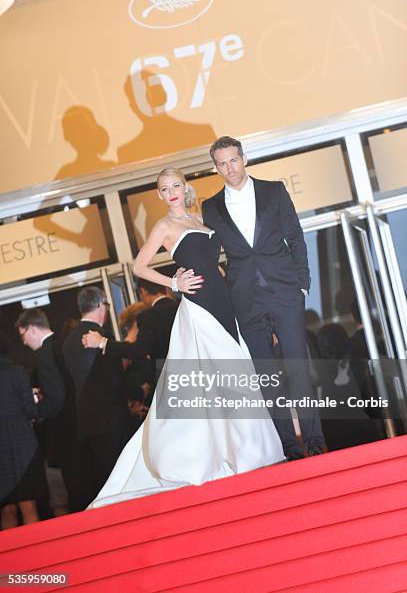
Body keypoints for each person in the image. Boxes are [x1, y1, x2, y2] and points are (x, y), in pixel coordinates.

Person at [86, 167, 284, 509]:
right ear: (160, 195)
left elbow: (215, 266)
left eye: (176, 185)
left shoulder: (200, 218)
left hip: (224, 304)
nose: (172, 191)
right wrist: (174, 284)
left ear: (184, 187)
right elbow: (139, 267)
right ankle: (220, 456)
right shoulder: (164, 226)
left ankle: (249, 451)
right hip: (199, 308)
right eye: (165, 188)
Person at [202, 136, 325, 459]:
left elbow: (295, 236)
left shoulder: (274, 191)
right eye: (222, 163)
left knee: (297, 368)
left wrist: (302, 284)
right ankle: (287, 447)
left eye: (233, 160)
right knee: (267, 377)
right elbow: (208, 255)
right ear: (215, 168)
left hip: (285, 292)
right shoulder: (210, 207)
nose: (229, 168)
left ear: (244, 159)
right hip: (244, 299)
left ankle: (314, 441)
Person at [63, 287, 129, 509]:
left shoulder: (68, 343)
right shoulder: (103, 338)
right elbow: (115, 380)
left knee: (101, 479)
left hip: (86, 422)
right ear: (101, 305)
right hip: (112, 418)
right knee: (120, 478)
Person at [15, 308, 78, 514]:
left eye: (22, 335)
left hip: (63, 433)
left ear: (32, 329)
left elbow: (56, 397)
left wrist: (35, 411)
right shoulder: (62, 344)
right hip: (78, 426)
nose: (23, 342)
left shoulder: (44, 353)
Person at [0, 330, 62, 529]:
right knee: (29, 506)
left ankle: (10, 560)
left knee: (6, 509)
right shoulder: (16, 371)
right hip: (22, 443)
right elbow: (30, 410)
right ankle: (35, 558)